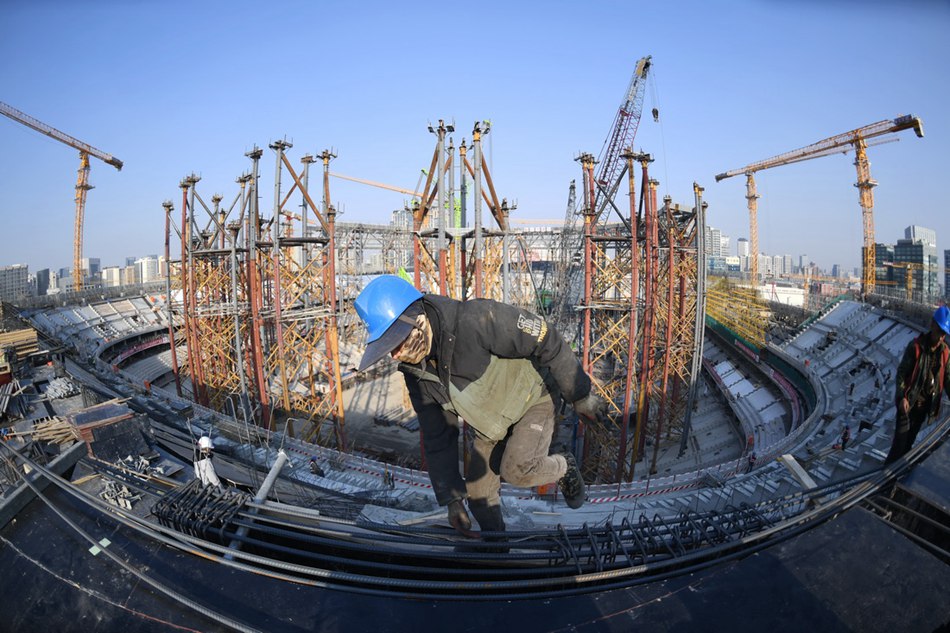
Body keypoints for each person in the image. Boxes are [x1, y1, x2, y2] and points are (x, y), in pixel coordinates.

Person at [354, 275, 603, 536]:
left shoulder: (474, 321)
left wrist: (580, 396)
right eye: (388, 349)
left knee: (517, 469)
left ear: (416, 318)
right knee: (479, 497)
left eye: (397, 342)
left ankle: (564, 466)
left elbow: (546, 338)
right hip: (492, 425)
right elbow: (438, 436)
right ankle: (497, 550)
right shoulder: (416, 374)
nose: (395, 355)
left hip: (534, 398)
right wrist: (452, 501)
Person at [885, 305, 950, 464]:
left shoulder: (946, 353)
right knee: (899, 443)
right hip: (908, 404)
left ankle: (896, 476)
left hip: (924, 406)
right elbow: (901, 373)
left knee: (909, 443)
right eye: (939, 331)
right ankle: (886, 475)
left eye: (944, 333)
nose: (941, 337)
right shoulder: (916, 347)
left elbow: (947, 378)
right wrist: (902, 398)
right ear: (932, 325)